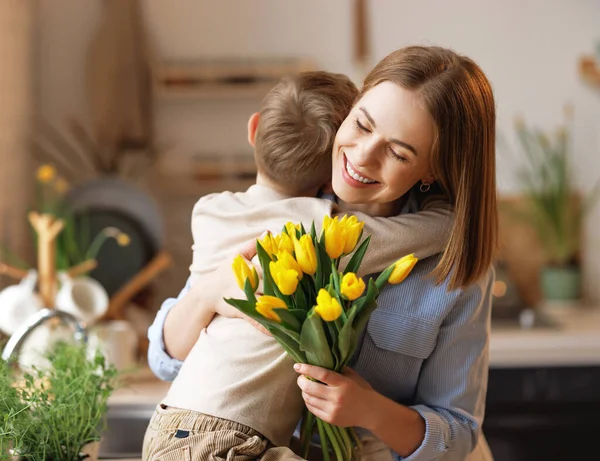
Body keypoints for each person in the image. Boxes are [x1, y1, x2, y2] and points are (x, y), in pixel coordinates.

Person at [147, 45, 497, 461]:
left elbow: (458, 433)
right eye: (363, 125)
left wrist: (372, 410)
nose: (363, 157)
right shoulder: (284, 208)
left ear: (433, 169)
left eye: (399, 152)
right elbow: (166, 359)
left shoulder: (454, 262)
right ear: (350, 109)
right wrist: (207, 293)